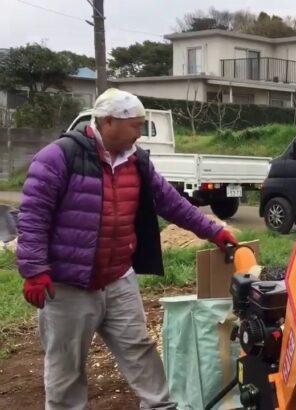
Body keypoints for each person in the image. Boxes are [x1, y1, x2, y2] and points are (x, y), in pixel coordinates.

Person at [16, 88, 238, 410]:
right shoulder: (59, 157)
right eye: (135, 125)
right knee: (65, 368)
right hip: (69, 286)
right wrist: (35, 271)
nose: (140, 133)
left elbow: (172, 204)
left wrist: (214, 232)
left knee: (140, 351)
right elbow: (33, 216)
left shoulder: (138, 163)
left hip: (118, 278)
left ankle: (160, 408)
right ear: (108, 122)